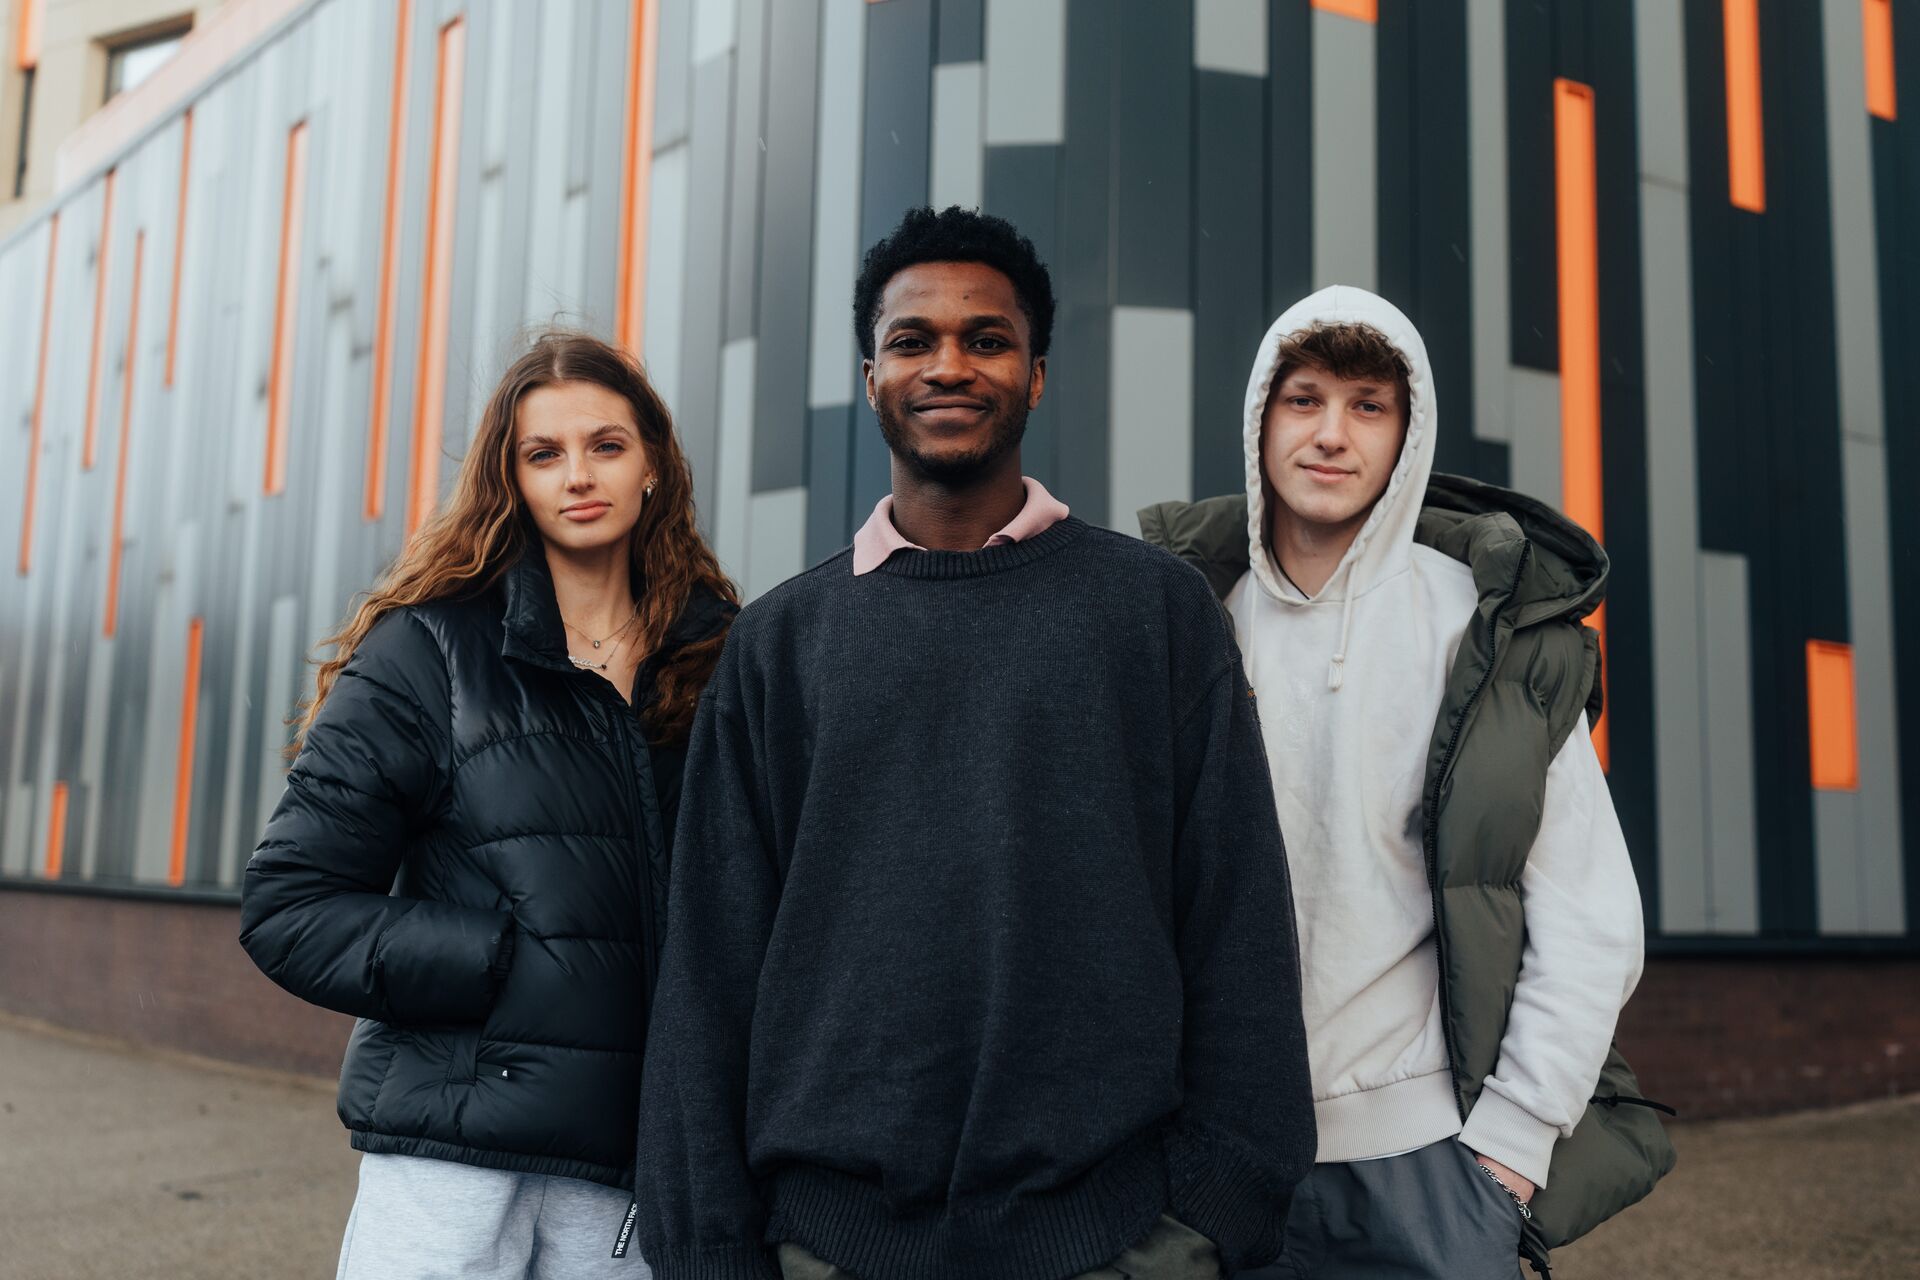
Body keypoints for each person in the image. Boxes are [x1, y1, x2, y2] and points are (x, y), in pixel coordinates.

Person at [632, 207, 1314, 1280]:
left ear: (1036, 375)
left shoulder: (1157, 614)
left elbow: (1238, 924)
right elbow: (711, 971)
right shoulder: (778, 644)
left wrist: (1213, 1214)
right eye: (913, 340)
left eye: (986, 339)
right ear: (871, 377)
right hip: (827, 1243)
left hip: (1114, 1235)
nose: (949, 363)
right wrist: (712, 1245)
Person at [1140, 286, 1674, 1279]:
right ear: (1260, 420)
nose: (1331, 434)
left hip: (1426, 1165)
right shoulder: (1180, 624)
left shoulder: (1488, 632)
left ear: (1408, 432)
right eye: (1303, 400)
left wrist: (1509, 1149)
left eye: (1367, 405)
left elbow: (1592, 914)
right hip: (1212, 1166)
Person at [239, 331, 737, 1279]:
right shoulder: (425, 656)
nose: (577, 475)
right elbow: (290, 908)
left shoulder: (722, 663)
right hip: (452, 1151)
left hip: (634, 1159)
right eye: (543, 454)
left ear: (654, 470)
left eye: (606, 445)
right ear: (509, 480)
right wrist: (501, 962)